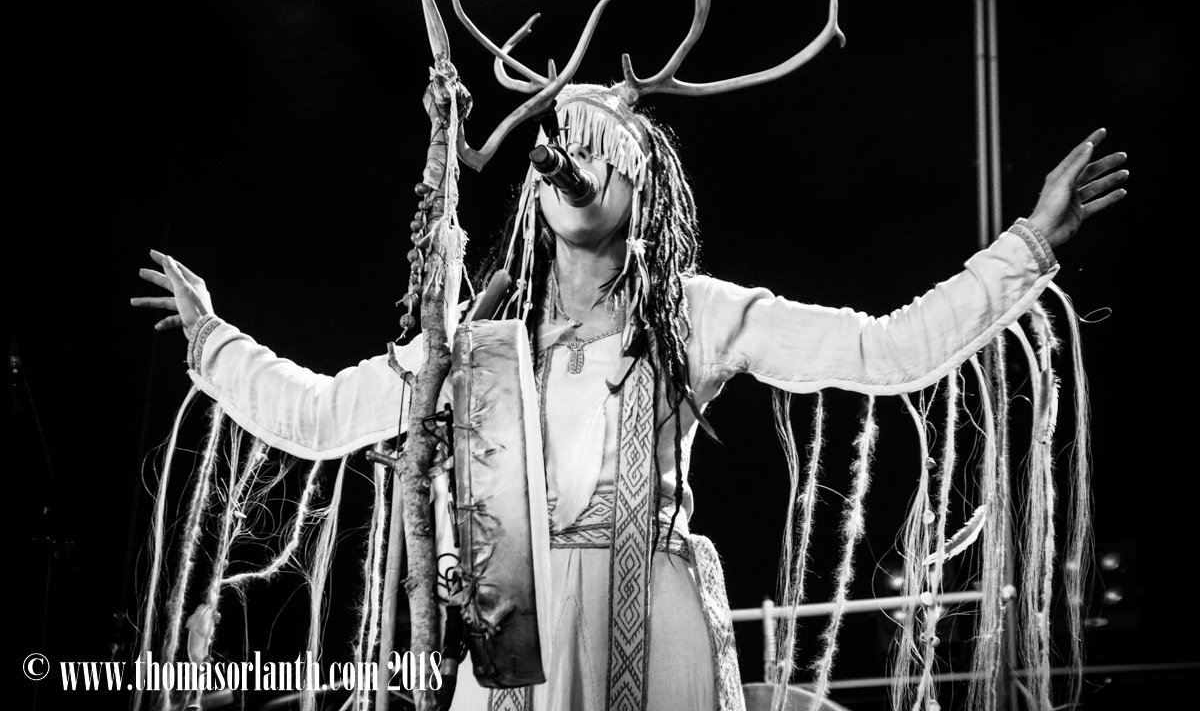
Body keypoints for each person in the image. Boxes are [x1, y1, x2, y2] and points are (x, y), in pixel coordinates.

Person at [133, 83, 1127, 711]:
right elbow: (320, 413)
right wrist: (212, 339)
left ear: (642, 185)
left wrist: (1028, 245)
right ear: (537, 187)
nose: (576, 159)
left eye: (604, 146)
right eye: (562, 141)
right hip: (515, 649)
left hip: (652, 638)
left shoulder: (694, 315)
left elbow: (884, 348)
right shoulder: (478, 346)